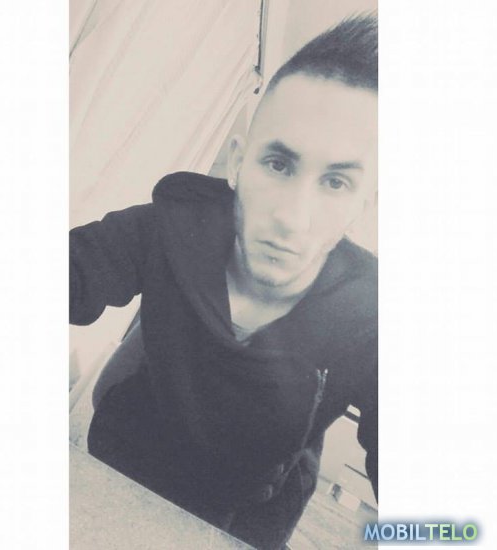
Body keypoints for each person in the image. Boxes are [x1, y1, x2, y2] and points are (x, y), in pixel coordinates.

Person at [70, 14, 378, 550]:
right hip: (122, 466)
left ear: (363, 204)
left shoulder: (371, 317)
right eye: (278, 164)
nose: (292, 218)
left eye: (335, 182)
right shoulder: (167, 226)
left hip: (245, 524)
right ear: (237, 163)